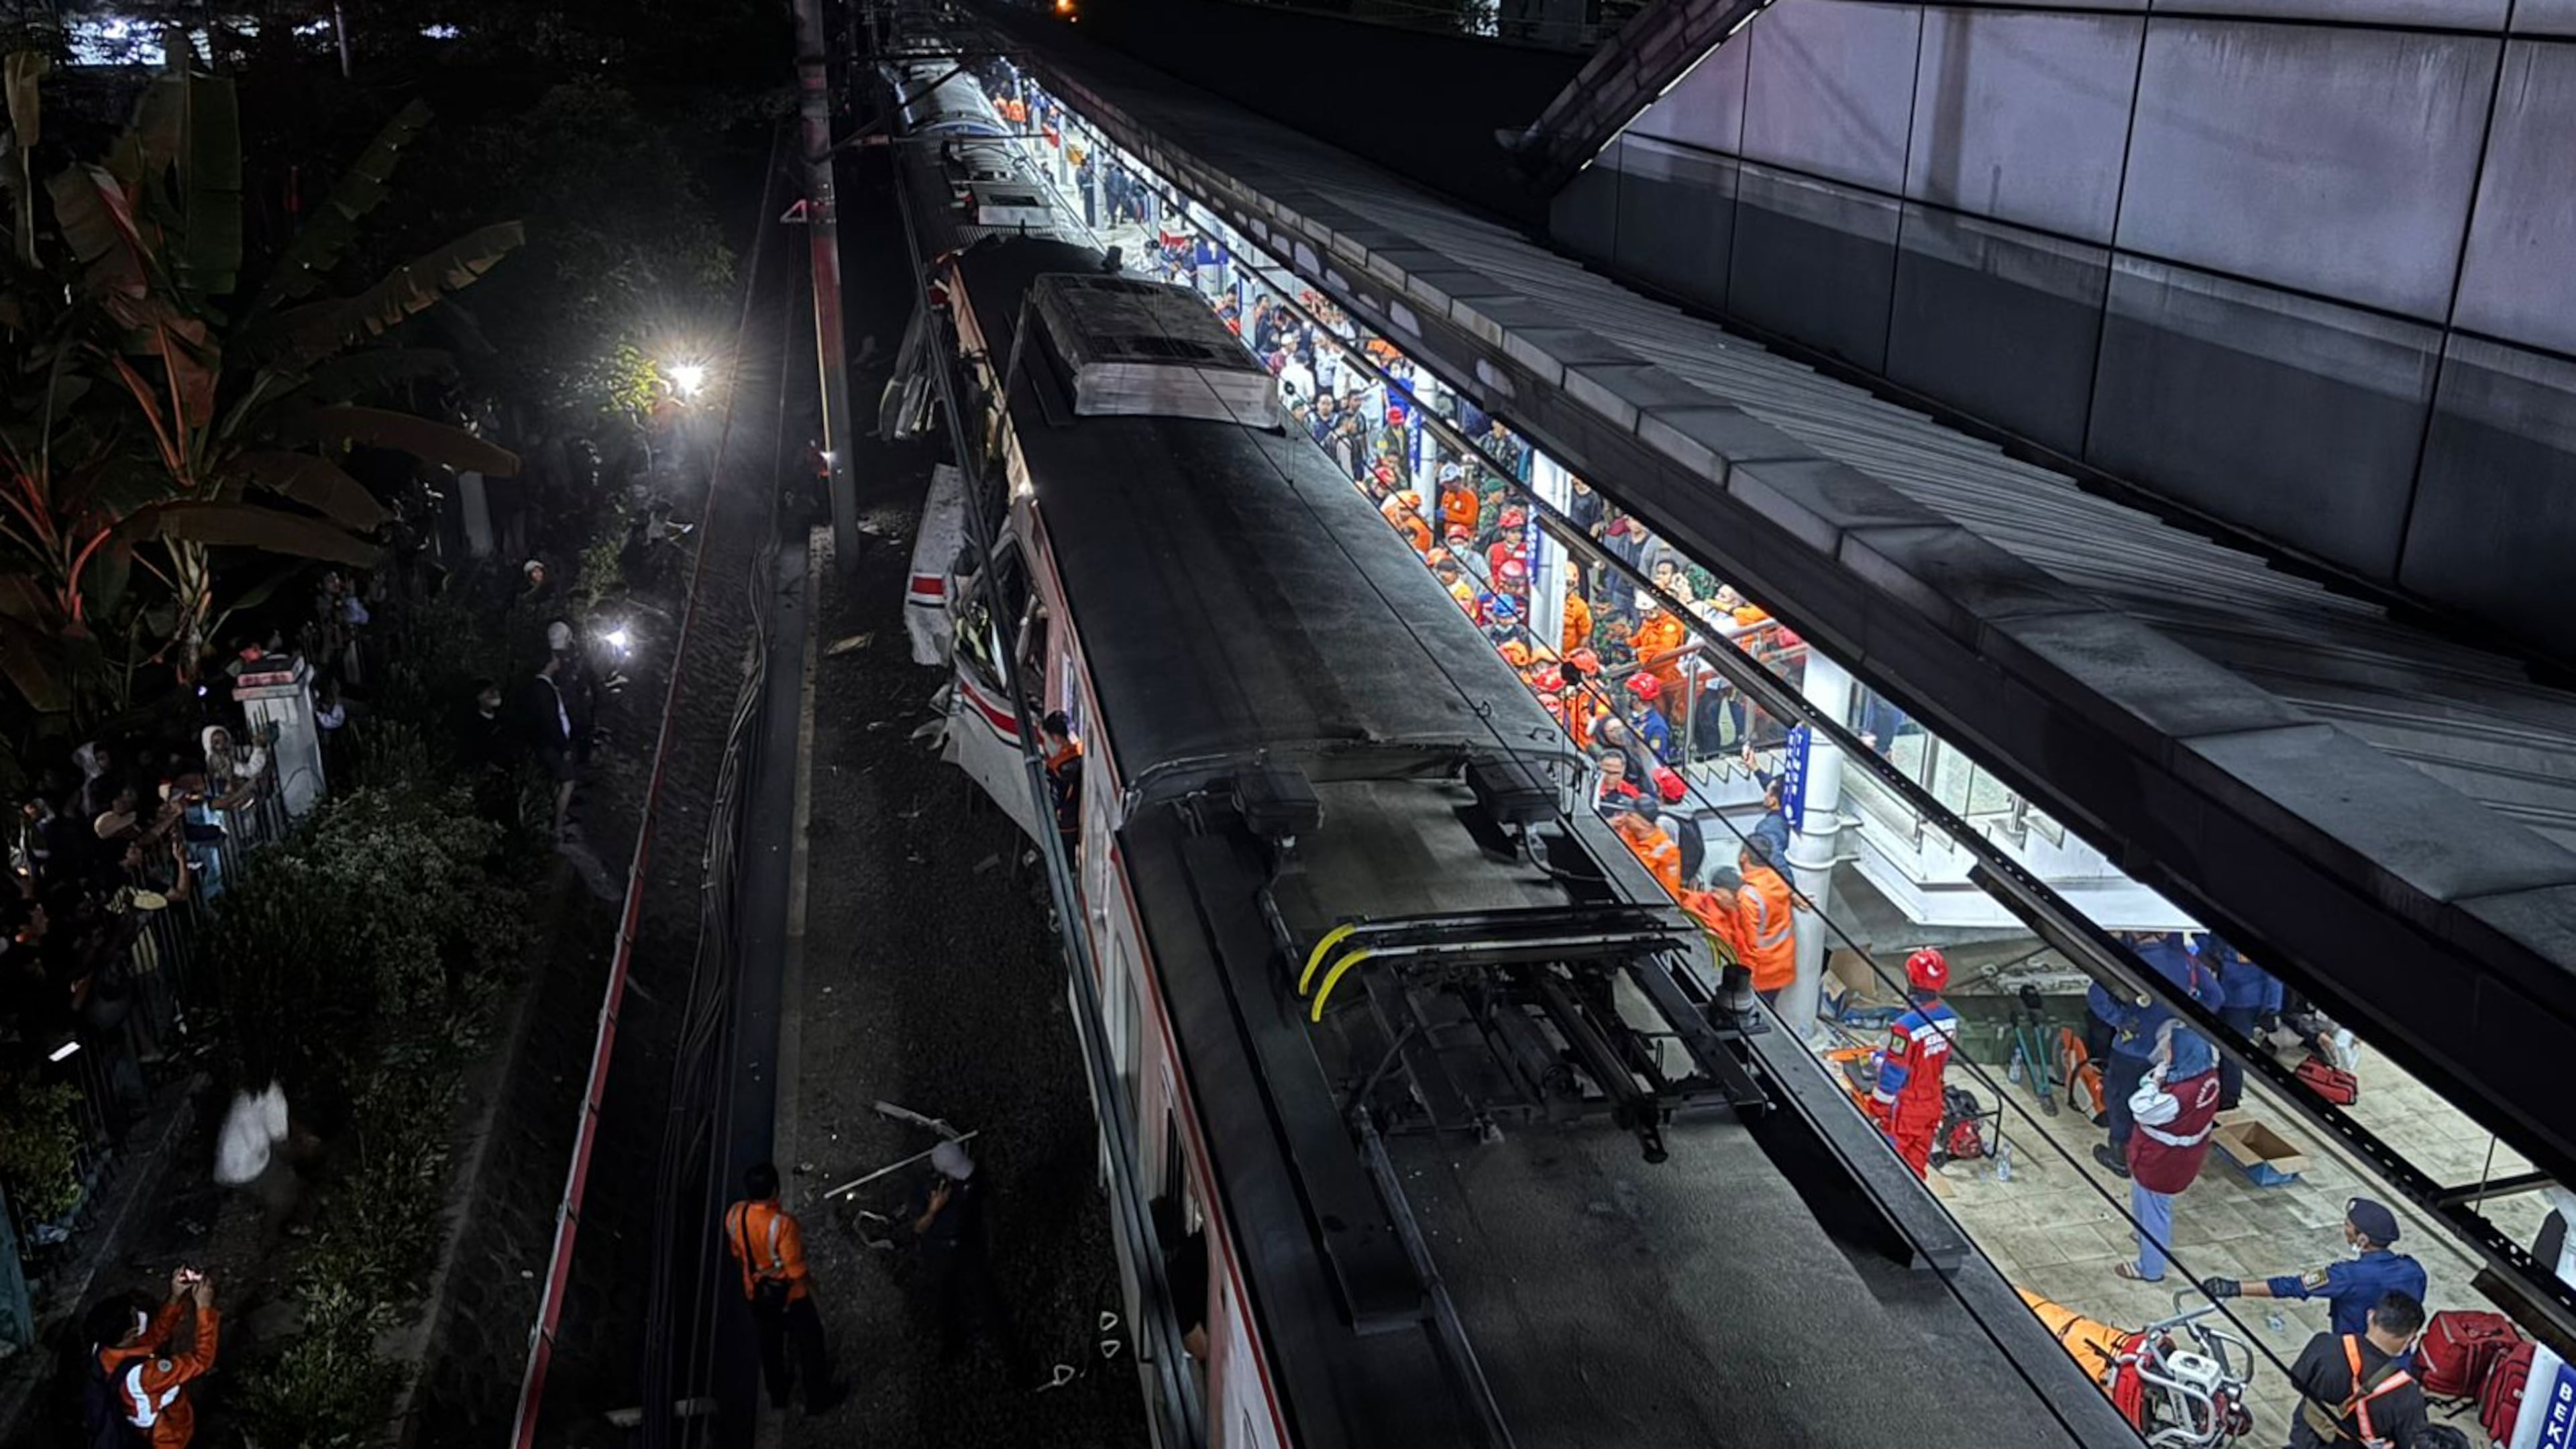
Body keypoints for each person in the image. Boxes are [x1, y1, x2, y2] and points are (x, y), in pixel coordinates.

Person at [2202, 1198, 2428, 1341]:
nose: (2344, 1228)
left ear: (2363, 1238)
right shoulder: (2414, 1270)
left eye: (2348, 1225)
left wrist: (2234, 1288)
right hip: (2396, 1361)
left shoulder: (2346, 1276)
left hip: (2352, 1359)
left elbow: (2294, 1286)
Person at [2094, 930, 2222, 1179]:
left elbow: (2097, 997)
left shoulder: (2126, 961)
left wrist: (2121, 1020)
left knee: (2121, 1099)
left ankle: (2120, 1157)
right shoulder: (2186, 960)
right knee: (2160, 1102)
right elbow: (2215, 996)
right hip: (2172, 1051)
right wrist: (2185, 1022)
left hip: (2133, 1048)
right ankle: (2146, 1152)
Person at [723, 1162, 846, 1414]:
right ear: (775, 1190)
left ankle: (778, 1394)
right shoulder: (783, 1224)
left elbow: (736, 1253)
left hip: (755, 1293)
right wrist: (815, 1291)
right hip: (789, 1296)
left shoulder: (734, 1215)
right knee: (811, 1344)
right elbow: (795, 1270)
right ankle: (818, 1397)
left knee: (769, 1344)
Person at [2119, 1024, 2222, 1283]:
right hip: (2176, 1153)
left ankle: (2150, 1268)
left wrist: (2154, 1084)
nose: (2165, 1054)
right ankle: (2141, 1235)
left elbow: (2141, 1108)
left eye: (2169, 1050)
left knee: (2156, 1209)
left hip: (2163, 1159)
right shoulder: (2206, 1074)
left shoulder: (2180, 1096)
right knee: (2142, 1195)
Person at [907, 1139, 1017, 1372]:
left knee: (987, 1299)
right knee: (946, 1301)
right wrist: (933, 1210)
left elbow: (986, 1203)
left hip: (969, 1246)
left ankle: (1011, 1355)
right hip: (941, 1253)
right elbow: (918, 1227)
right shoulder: (925, 1189)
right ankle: (951, 1344)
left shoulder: (972, 1180)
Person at [89, 1267, 219, 1448]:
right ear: (130, 1334)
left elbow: (152, 1339)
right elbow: (202, 1360)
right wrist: (205, 1310)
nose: (139, 1315)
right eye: (135, 1316)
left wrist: (175, 1297)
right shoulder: (148, 1375)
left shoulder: (105, 1350)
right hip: (168, 1438)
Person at [2285, 1292, 2432, 1449]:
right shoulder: (2407, 1394)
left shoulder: (2325, 1344)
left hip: (2306, 1437)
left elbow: (2297, 1382)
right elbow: (2412, 1442)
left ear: (2370, 1316)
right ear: (2411, 1339)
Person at [1869, 949, 1957, 1178]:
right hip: (1933, 1103)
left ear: (1911, 980)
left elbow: (1894, 1073)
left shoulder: (1905, 1027)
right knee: (1916, 1165)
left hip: (1908, 1107)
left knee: (1891, 1167)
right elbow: (1936, 1058)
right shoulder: (1950, 1019)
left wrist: (1877, 1108)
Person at [2207, 934, 2281, 1111]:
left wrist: (2272, 1007)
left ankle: (2229, 1099)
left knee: (2233, 1052)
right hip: (2221, 995)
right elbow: (2207, 940)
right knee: (2221, 1048)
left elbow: (2274, 974)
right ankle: (2221, 1091)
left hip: (2245, 1004)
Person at [512, 651, 578, 842]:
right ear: (548, 663)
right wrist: (563, 746)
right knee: (568, 781)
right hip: (550, 744)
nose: (559, 661)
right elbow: (551, 720)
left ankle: (555, 818)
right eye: (555, 658)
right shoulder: (543, 688)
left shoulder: (541, 687)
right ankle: (558, 828)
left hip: (546, 742)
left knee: (559, 781)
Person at [1730, 837, 1797, 1003]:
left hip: (1761, 973)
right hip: (1782, 965)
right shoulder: (1778, 880)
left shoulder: (1749, 896)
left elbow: (1749, 943)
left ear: (1744, 857)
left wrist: (1744, 978)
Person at [1611, 801, 1682, 896]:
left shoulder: (1667, 850)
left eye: (1629, 815)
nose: (1623, 818)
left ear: (1643, 824)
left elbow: (1670, 890)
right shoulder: (1626, 833)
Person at [1040, 710, 1083, 857]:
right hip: (1084, 819)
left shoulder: (1056, 766)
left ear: (1056, 738)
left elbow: (1055, 799)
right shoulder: (1084, 753)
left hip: (1067, 824)